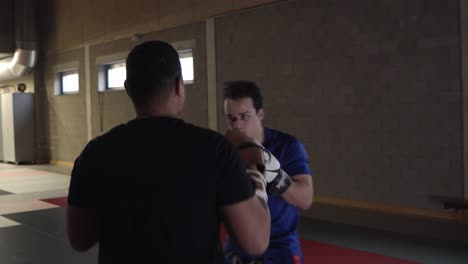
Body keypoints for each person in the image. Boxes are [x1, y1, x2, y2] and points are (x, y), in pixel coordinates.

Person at [66, 41, 270, 264]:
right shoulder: (215, 149)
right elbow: (256, 241)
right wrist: (254, 171)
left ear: (128, 89)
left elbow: (79, 240)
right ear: (178, 86)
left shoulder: (95, 154)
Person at [222, 80, 313, 264]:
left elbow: (305, 199)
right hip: (239, 247)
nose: (237, 125)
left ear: (260, 114)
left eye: (244, 116)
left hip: (280, 248)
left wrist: (277, 176)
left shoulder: (287, 146)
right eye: (231, 118)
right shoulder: (224, 151)